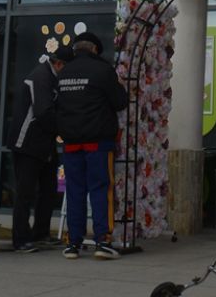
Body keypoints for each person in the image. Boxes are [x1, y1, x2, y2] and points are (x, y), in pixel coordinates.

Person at [55, 33, 128, 260]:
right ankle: (102, 241)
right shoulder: (103, 71)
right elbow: (120, 102)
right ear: (95, 49)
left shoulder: (63, 72)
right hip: (97, 142)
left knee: (74, 191)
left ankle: (73, 243)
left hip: (71, 143)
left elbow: (57, 106)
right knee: (100, 189)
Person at [9, 46, 72, 252]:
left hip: (45, 142)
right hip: (27, 141)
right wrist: (66, 129)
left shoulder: (52, 78)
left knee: (48, 189)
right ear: (59, 64)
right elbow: (43, 112)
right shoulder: (41, 77)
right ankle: (20, 238)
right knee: (25, 192)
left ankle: (41, 232)